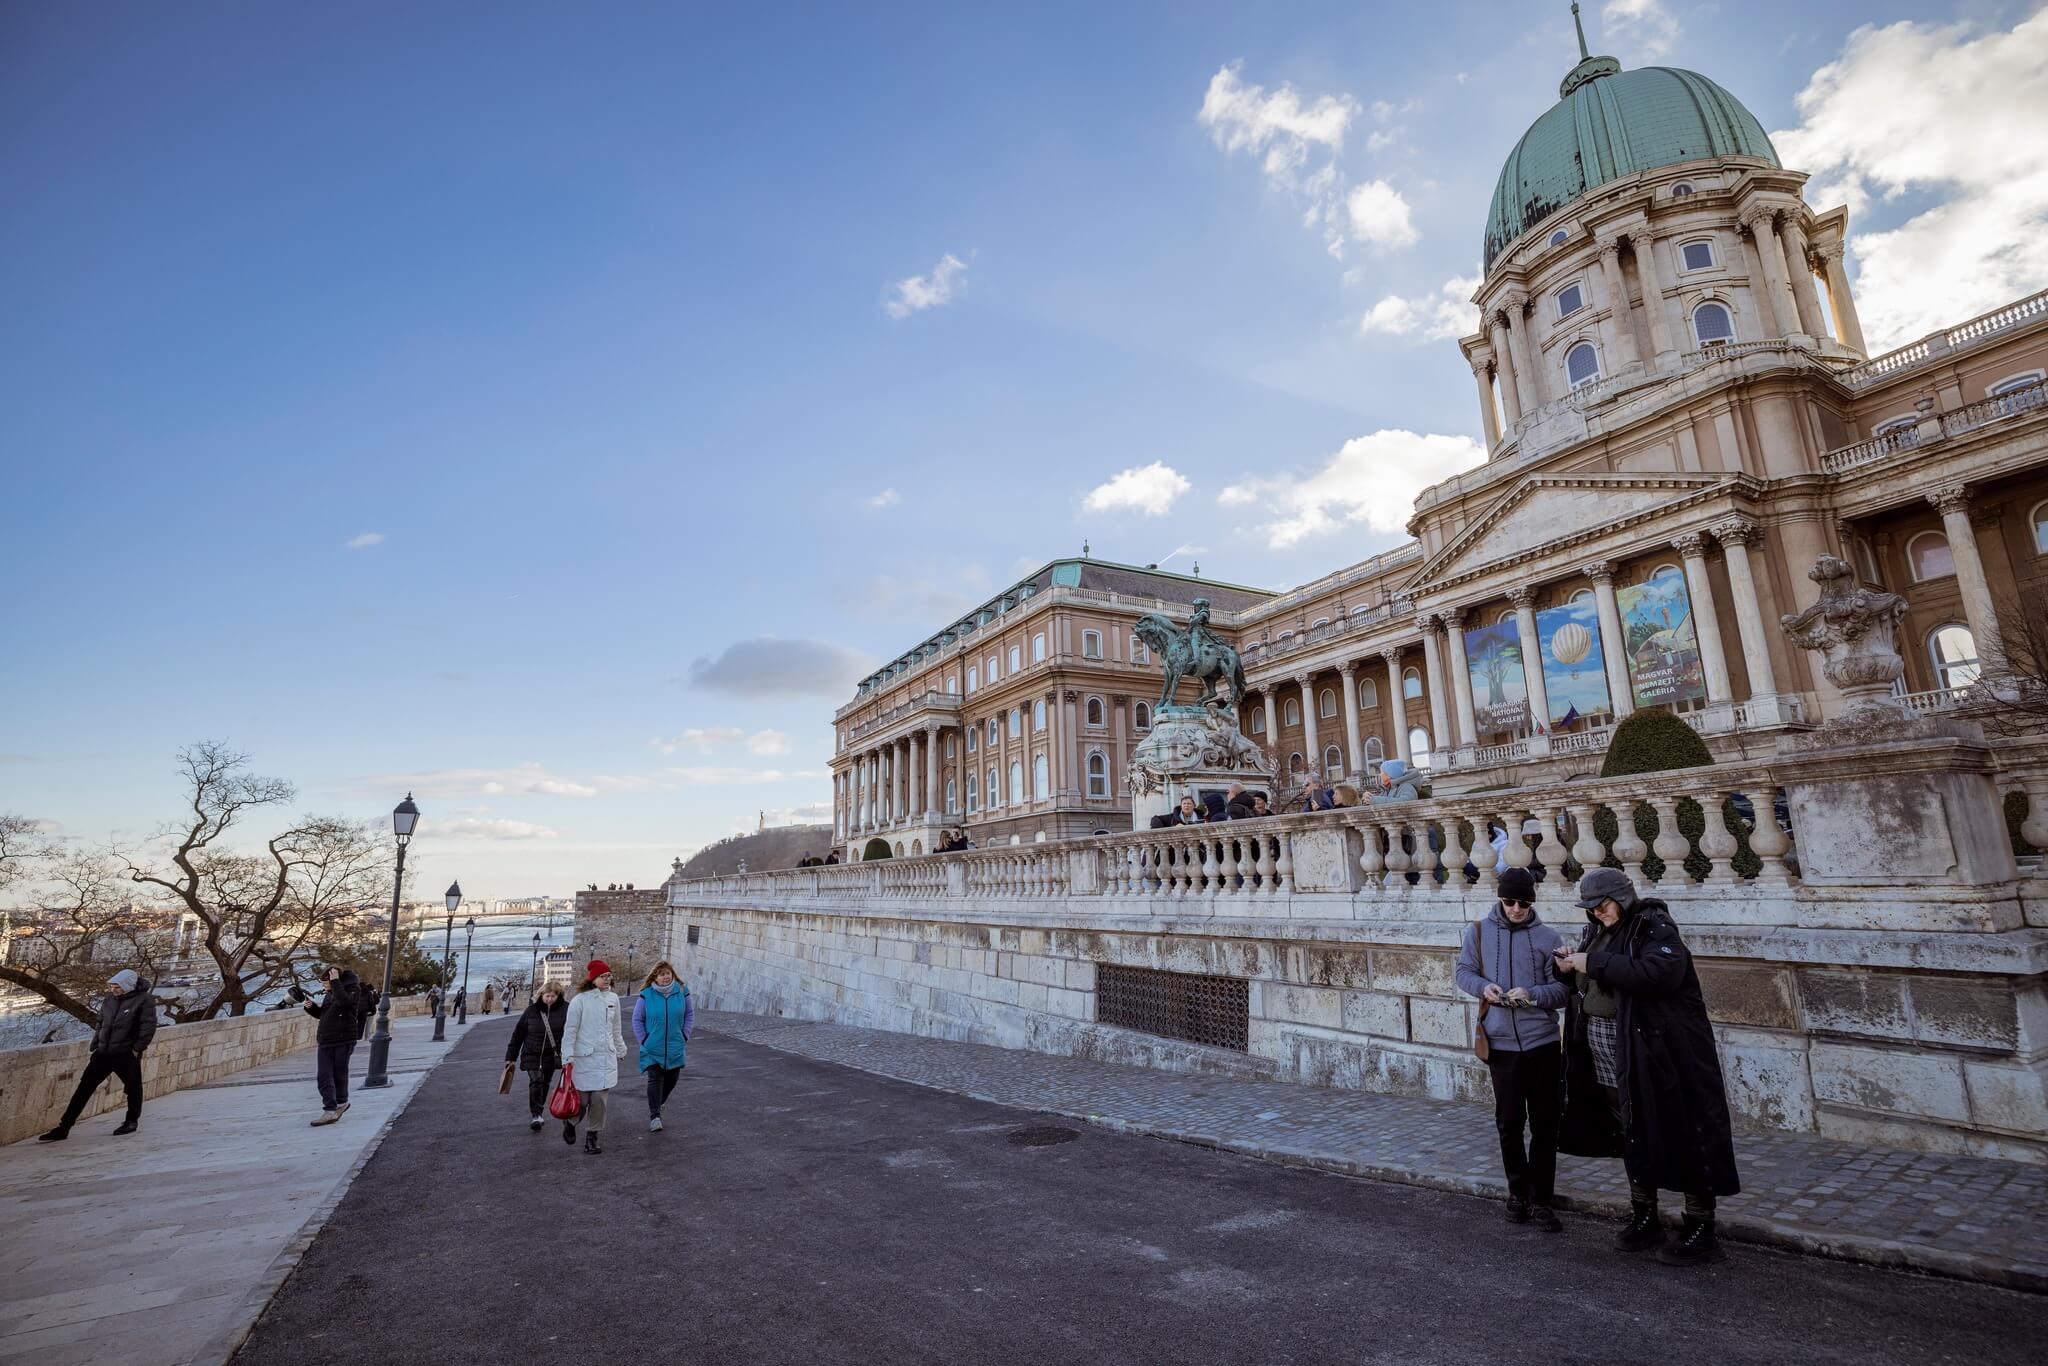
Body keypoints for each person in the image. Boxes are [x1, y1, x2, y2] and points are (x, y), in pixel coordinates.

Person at [1555, 867, 1741, 1266]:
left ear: (1622, 897)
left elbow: (1659, 973)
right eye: (1590, 907)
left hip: (1658, 1055)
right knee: (1629, 1131)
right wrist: (1569, 965)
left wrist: (1593, 962)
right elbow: (1588, 984)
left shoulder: (1654, 926)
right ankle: (1645, 1216)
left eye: (1602, 905)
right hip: (1608, 1055)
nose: (1597, 913)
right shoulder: (1598, 931)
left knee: (1683, 1130)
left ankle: (1700, 1226)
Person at [1454, 867, 1567, 1231]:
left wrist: (1532, 995)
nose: (1517, 908)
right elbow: (1463, 972)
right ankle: (1517, 1193)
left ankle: (1542, 1199)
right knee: (1509, 1122)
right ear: (1500, 899)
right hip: (1500, 1044)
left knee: (1546, 1124)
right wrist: (1484, 987)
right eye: (1510, 901)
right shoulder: (1478, 933)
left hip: (1543, 1042)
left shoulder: (1549, 938)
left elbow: (1563, 992)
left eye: (1523, 902)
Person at [39, 969, 159, 1141]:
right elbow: (101, 1022)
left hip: (125, 1053)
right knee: (83, 1088)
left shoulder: (144, 1000)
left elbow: (148, 1027)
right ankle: (63, 1127)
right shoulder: (109, 1000)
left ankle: (131, 1121)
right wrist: (96, 1043)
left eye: (117, 987)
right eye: (111, 987)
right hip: (102, 1053)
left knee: (133, 1088)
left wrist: (136, 1048)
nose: (113, 990)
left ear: (127, 986)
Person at [559, 960, 626, 1154]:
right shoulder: (579, 1001)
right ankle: (571, 1122)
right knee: (582, 1100)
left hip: (606, 1057)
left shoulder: (614, 998)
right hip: (583, 1057)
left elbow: (616, 1028)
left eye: (609, 976)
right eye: (603, 977)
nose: (607, 979)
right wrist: (567, 1056)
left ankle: (592, 1137)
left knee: (599, 1101)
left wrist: (620, 1049)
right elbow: (570, 1031)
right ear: (593, 979)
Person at [632, 961, 694, 1132]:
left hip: (675, 1043)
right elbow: (637, 1019)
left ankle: (659, 1103)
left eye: (668, 973)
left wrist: (684, 1035)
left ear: (672, 974)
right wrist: (644, 1040)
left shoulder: (682, 991)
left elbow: (689, 1014)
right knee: (655, 1078)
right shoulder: (646, 995)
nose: (665, 977)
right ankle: (655, 1117)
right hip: (652, 1046)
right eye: (661, 974)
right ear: (655, 978)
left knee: (672, 1078)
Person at [299, 967, 363, 1126]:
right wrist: (312, 1007)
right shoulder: (330, 993)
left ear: (334, 978)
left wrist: (335, 983)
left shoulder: (352, 989)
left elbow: (345, 1003)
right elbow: (324, 1015)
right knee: (324, 1075)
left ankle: (339, 1104)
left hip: (343, 1038)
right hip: (326, 1039)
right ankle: (330, 1109)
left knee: (339, 1074)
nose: (323, 986)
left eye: (325, 982)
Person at [506, 982, 569, 1132]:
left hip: (552, 1054)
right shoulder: (531, 1011)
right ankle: (536, 1115)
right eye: (547, 996)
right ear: (541, 995)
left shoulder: (566, 1009)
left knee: (545, 1082)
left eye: (553, 996)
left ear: (558, 996)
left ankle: (539, 1110)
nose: (549, 999)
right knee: (536, 1081)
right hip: (531, 1053)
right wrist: (511, 1056)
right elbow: (518, 1034)